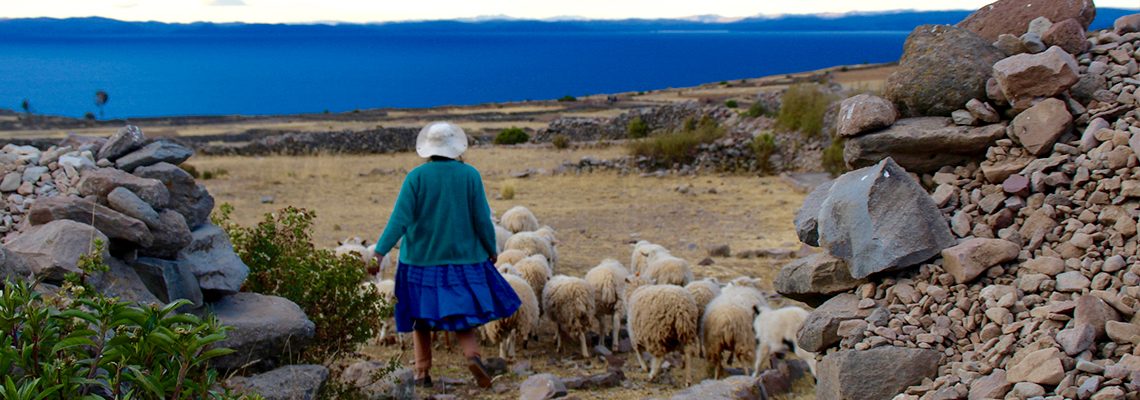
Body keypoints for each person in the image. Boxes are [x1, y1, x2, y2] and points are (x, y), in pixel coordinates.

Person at [372, 121, 521, 389]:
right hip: (465, 258)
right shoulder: (470, 176)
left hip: (420, 259)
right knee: (462, 313)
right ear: (457, 148)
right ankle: (473, 356)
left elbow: (399, 220)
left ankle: (421, 372)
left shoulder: (416, 178)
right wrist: (491, 249)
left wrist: (380, 252)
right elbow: (482, 219)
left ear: (427, 149)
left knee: (420, 317)